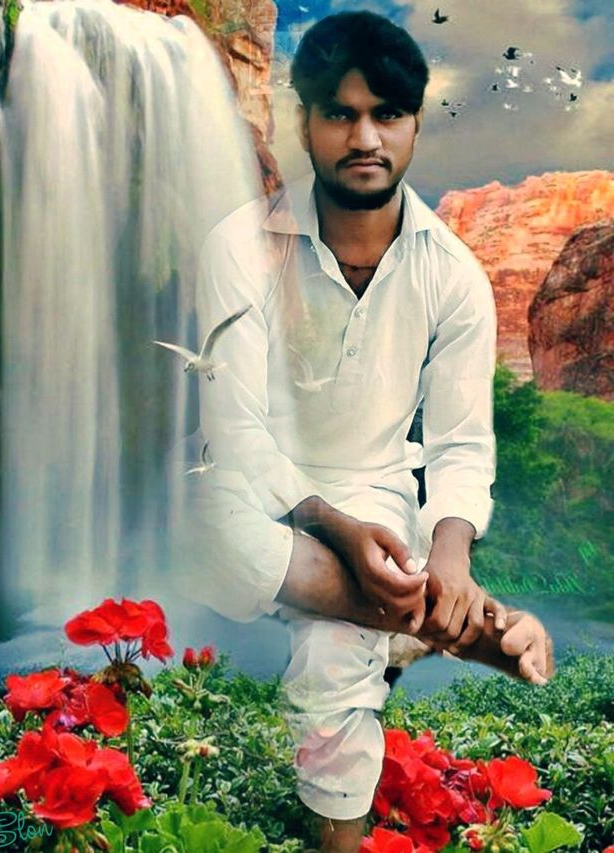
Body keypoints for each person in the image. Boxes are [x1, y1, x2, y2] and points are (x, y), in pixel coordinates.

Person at [185, 11, 553, 851]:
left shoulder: (453, 275)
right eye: (339, 114)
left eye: (386, 114)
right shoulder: (238, 249)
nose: (364, 138)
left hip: (379, 495)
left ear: (415, 124)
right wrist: (339, 531)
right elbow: (235, 430)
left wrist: (450, 556)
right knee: (206, 519)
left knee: (331, 647)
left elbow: (460, 444)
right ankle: (457, 629)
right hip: (258, 492)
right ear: (304, 125)